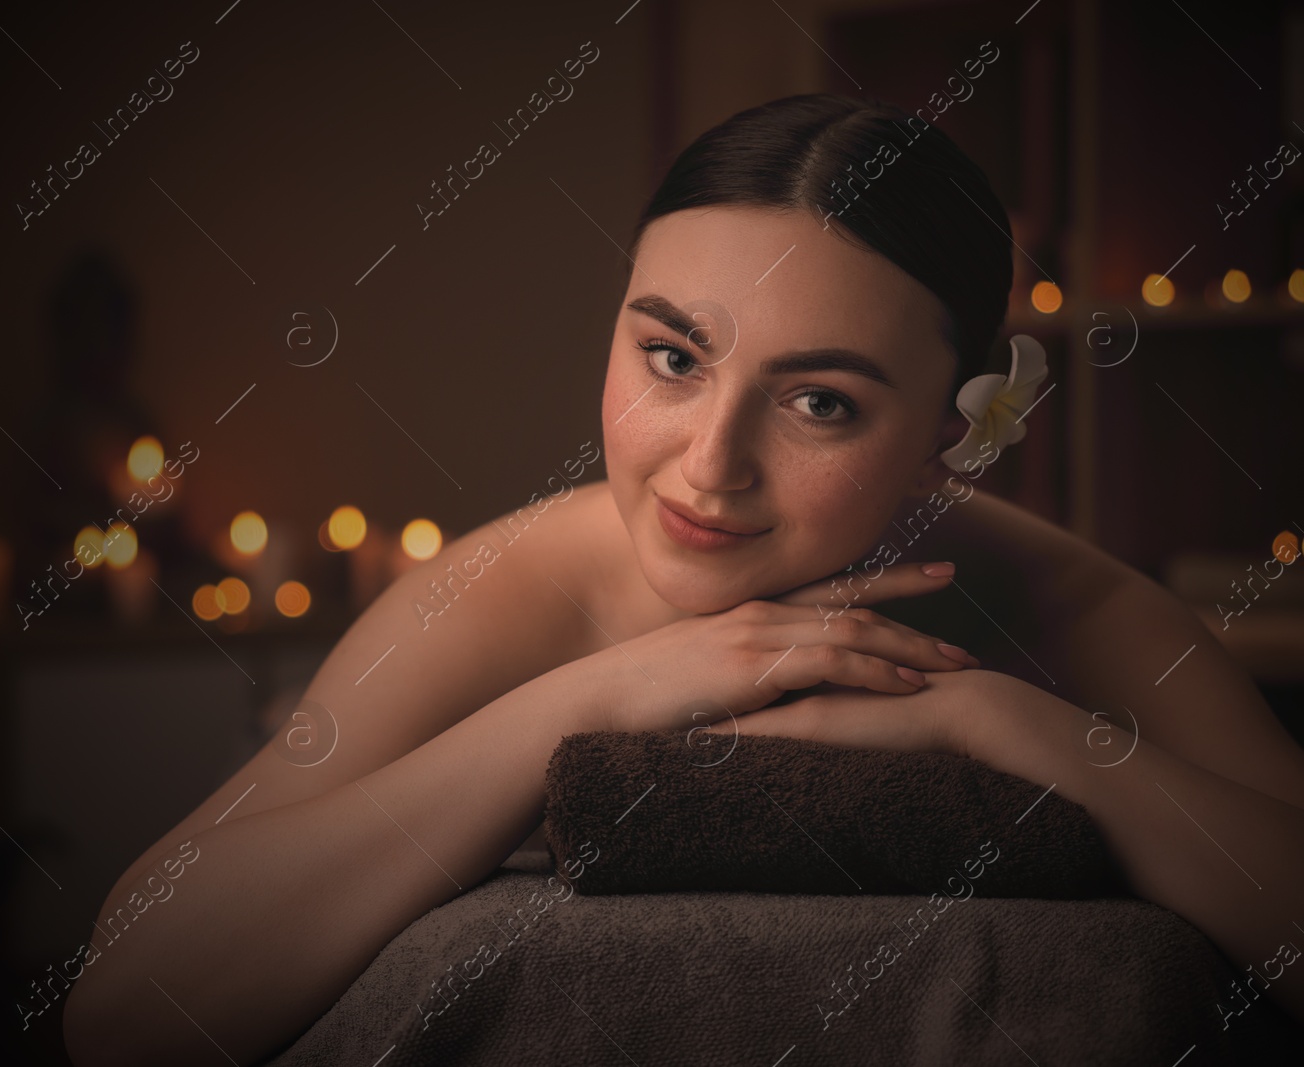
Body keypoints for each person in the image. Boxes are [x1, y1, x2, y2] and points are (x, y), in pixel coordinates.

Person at [64, 94, 1304, 1065]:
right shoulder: (493, 593)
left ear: (953, 431)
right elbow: (124, 1011)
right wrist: (591, 697)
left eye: (820, 401)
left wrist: (1000, 720)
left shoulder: (1079, 611)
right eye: (671, 355)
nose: (709, 465)